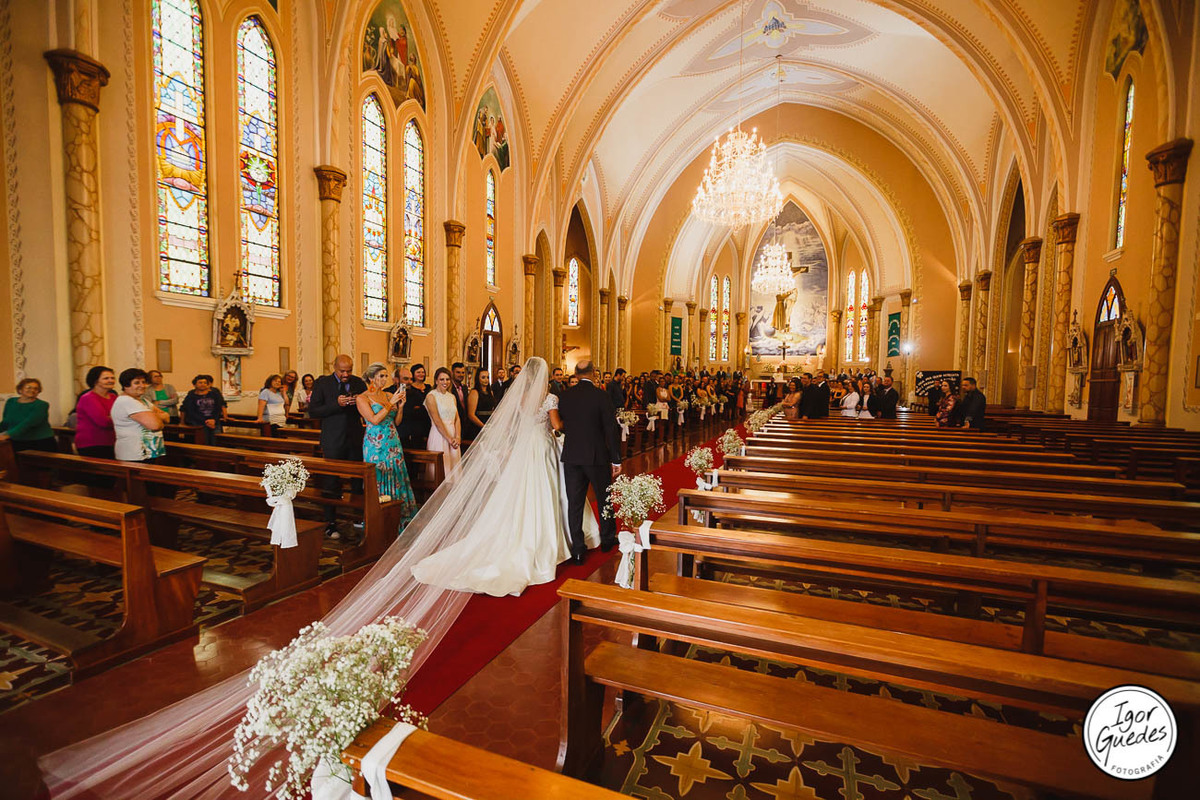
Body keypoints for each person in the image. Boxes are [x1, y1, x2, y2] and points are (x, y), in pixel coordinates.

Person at [411, 356, 600, 595]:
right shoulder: (550, 398)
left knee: (521, 492)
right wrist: (567, 422)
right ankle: (558, 540)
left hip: (524, 447)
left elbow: (515, 424)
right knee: (550, 491)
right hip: (542, 447)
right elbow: (556, 426)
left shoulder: (520, 397)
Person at [557, 360, 621, 563]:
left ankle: (577, 548)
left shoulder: (565, 396)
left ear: (575, 374)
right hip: (596, 456)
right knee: (604, 498)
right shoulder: (601, 396)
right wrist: (616, 459)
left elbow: (563, 424)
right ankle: (607, 539)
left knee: (574, 502)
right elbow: (610, 429)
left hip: (572, 455)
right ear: (593, 373)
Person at [309, 355, 368, 537]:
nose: (345, 374)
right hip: (333, 439)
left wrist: (359, 402)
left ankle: (359, 518)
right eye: (342, 371)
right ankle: (330, 522)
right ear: (334, 367)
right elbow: (314, 411)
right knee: (331, 482)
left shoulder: (358, 383)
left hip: (355, 438)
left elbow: (367, 405)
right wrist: (337, 404)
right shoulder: (323, 383)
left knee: (358, 480)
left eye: (349, 370)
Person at [357, 363, 417, 527]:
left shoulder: (388, 394)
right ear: (371, 378)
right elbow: (374, 420)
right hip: (375, 443)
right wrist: (391, 403)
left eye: (386, 376)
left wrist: (401, 407)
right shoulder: (362, 398)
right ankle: (381, 521)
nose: (385, 379)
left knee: (397, 474)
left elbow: (396, 421)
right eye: (381, 376)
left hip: (392, 440)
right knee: (379, 476)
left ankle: (401, 516)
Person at [112, 368, 168, 462]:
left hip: (147, 452)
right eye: (137, 383)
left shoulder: (142, 400)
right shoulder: (127, 401)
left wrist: (153, 416)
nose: (142, 385)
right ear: (126, 385)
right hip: (134, 454)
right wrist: (156, 417)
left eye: (144, 382)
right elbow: (155, 425)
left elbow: (167, 417)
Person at [0, 378, 56, 452]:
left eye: (36, 388)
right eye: (28, 387)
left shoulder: (41, 405)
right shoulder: (11, 402)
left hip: (39, 443)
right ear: (20, 390)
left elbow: (29, 423)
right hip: (16, 441)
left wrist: (8, 435)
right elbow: (6, 421)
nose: (32, 390)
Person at [75, 365, 117, 458]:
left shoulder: (113, 397)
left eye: (112, 378)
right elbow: (104, 422)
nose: (111, 380)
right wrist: (118, 418)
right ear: (95, 381)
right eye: (106, 378)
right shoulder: (88, 398)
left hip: (111, 441)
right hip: (92, 443)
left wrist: (112, 417)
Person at [425, 367, 462, 473]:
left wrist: (457, 437)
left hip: (453, 434)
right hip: (439, 434)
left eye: (447, 379)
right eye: (442, 379)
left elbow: (457, 418)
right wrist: (449, 439)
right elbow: (437, 421)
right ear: (436, 381)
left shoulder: (452, 397)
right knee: (442, 468)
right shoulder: (431, 396)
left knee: (454, 467)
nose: (445, 382)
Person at [180, 374, 227, 444]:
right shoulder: (191, 395)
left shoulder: (214, 394)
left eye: (205, 383)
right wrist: (205, 422)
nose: (203, 384)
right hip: (198, 425)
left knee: (216, 444)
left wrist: (213, 419)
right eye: (200, 382)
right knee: (202, 444)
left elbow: (218, 408)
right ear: (195, 384)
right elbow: (189, 411)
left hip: (214, 423)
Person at [398, 363, 431, 450]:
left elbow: (423, 411)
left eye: (423, 372)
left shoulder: (417, 393)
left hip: (419, 430)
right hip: (403, 431)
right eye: (418, 372)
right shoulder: (392, 393)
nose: (409, 381)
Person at [464, 369, 495, 441]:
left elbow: (492, 409)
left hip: (489, 423)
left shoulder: (491, 392)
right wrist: (484, 427)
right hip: (477, 426)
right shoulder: (474, 392)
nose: (486, 380)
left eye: (487, 377)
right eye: (483, 377)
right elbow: (471, 415)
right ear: (478, 378)